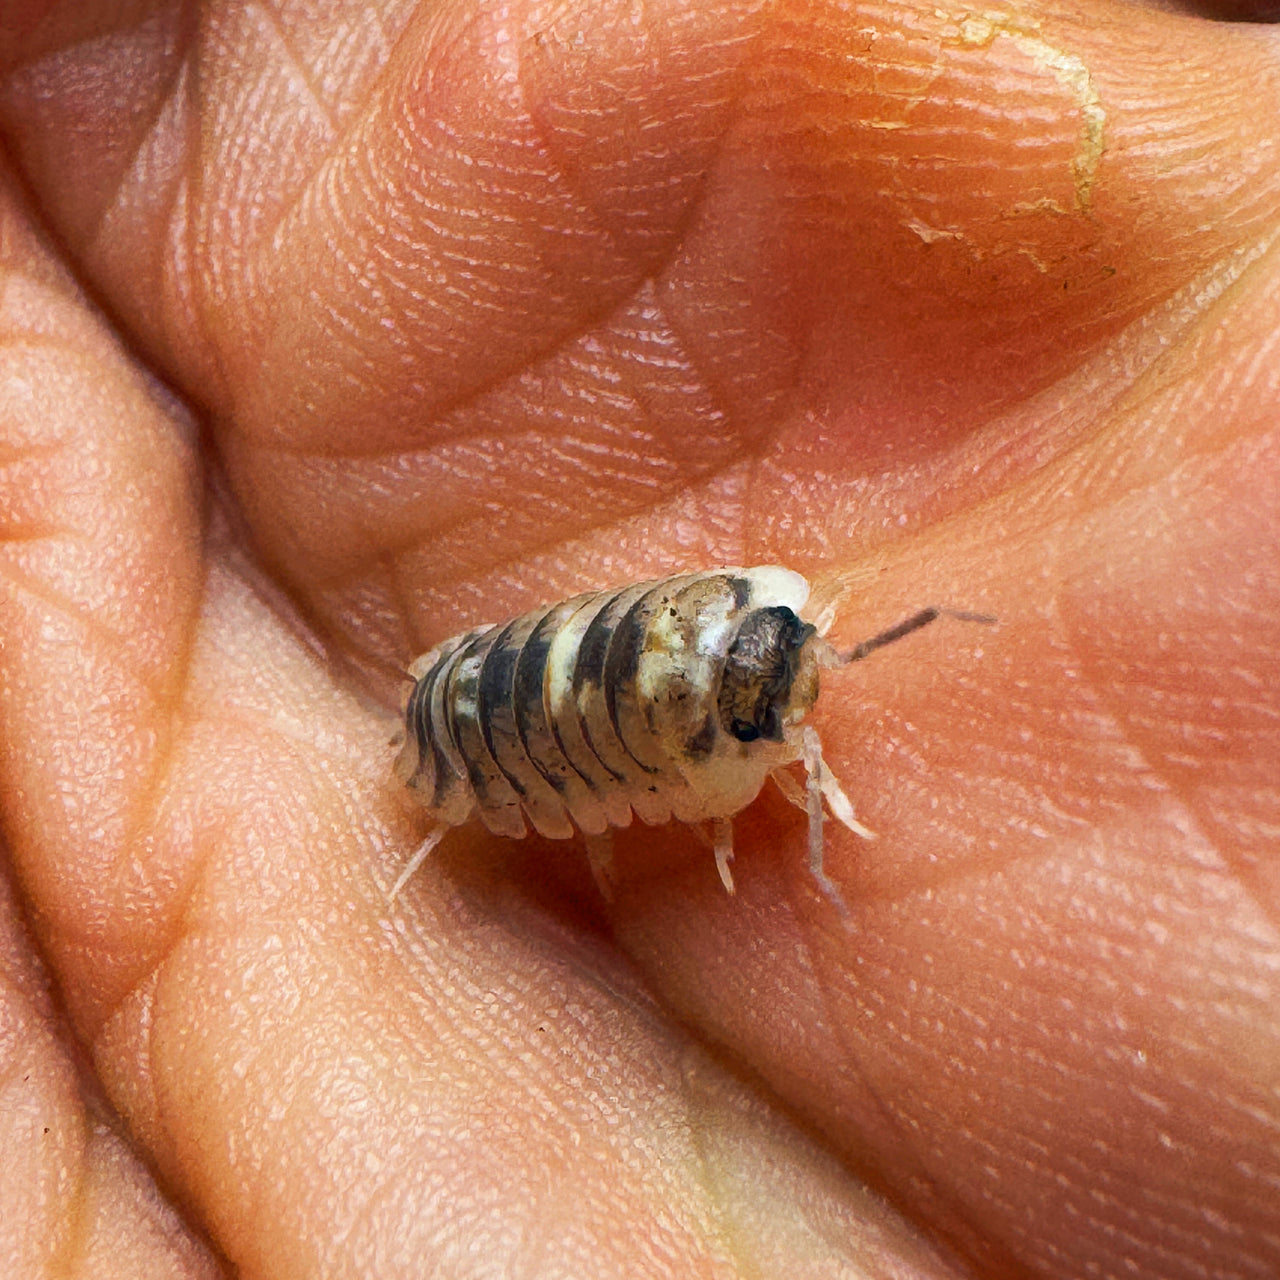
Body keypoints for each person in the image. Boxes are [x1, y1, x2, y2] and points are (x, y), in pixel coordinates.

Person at [0, 2, 1276, 1275]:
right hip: (479, 725)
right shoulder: (716, 737)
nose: (799, 674)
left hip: (509, 701)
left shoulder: (733, 645)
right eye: (788, 660)